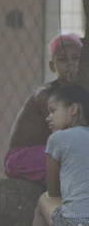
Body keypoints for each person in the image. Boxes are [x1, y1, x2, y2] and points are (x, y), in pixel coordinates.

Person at [32, 85, 89, 226]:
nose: (48, 117)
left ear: (73, 109)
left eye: (53, 110)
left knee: (44, 201)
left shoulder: (57, 139)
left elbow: (53, 190)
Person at [5, 33, 83, 184]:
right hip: (21, 159)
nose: (70, 64)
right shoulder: (46, 94)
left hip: (51, 154)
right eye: (62, 59)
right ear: (52, 66)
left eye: (75, 58)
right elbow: (69, 133)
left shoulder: (78, 92)